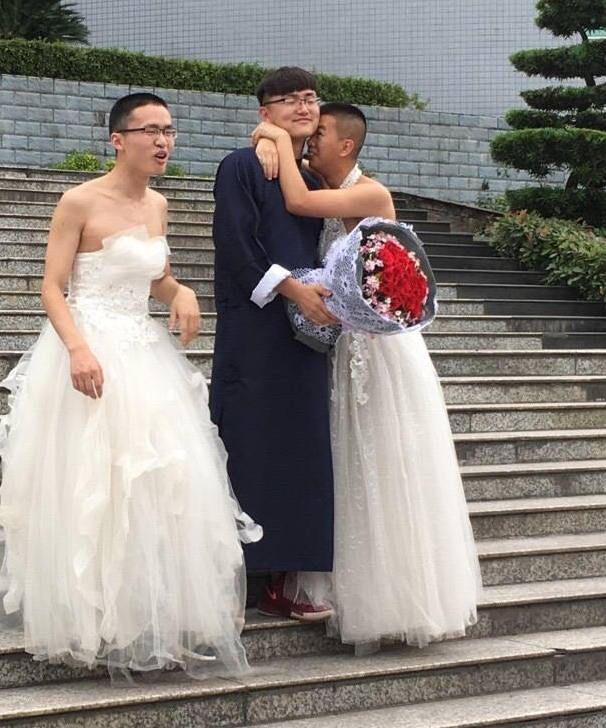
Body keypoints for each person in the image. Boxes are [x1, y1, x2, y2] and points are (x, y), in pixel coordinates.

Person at [0, 92, 260, 679]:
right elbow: (53, 286)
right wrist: (77, 349)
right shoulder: (79, 200)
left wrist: (181, 292)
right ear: (118, 139)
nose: (163, 141)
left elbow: (156, 276)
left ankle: (145, 614)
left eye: (170, 130)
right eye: (150, 130)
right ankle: (88, 619)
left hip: (144, 352)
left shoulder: (158, 203)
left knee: (161, 482)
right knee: (93, 484)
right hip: (90, 349)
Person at [252, 102, 483, 651]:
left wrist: (273, 136)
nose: (310, 141)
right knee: (343, 459)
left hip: (377, 350)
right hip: (339, 341)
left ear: (347, 145)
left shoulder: (371, 194)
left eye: (320, 133)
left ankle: (390, 597)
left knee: (380, 457)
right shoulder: (330, 187)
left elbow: (296, 201)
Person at [211, 67, 338, 622]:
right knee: (246, 443)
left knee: (301, 451)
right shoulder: (242, 165)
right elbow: (235, 243)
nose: (303, 107)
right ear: (264, 113)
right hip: (255, 330)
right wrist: (292, 290)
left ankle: (284, 582)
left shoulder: (314, 180)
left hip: (309, 334)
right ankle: (232, 580)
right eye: (288, 101)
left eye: (310, 98)